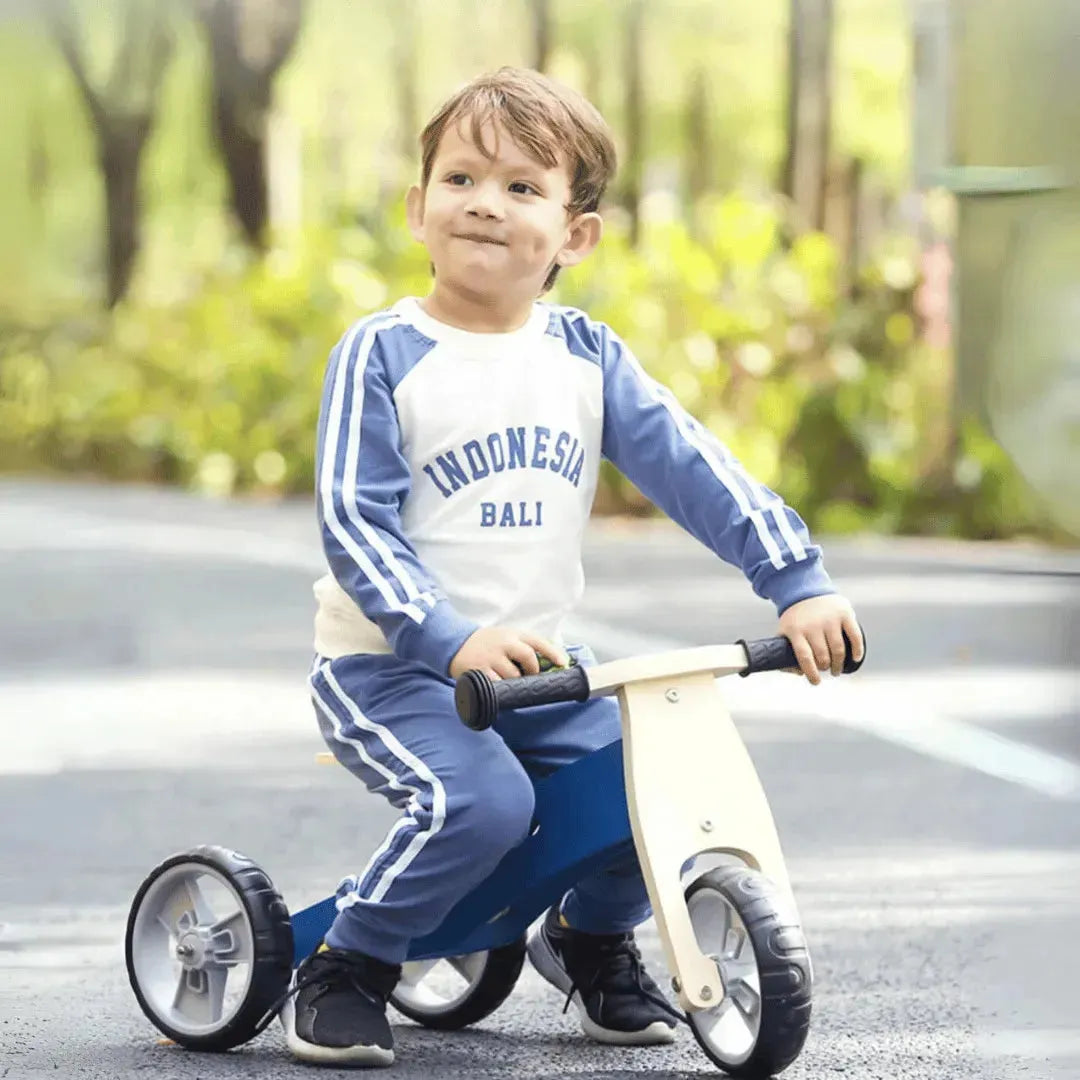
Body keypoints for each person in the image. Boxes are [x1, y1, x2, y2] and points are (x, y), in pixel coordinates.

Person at [284, 66, 864, 1067]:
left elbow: (699, 472)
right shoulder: (382, 352)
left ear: (575, 234)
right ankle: (349, 962)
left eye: (521, 187)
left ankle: (592, 940)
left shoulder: (584, 358)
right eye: (461, 178)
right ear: (419, 208)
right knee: (488, 808)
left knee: (659, 785)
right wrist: (449, 635)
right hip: (390, 668)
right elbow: (353, 517)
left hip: (540, 670)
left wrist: (796, 580)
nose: (484, 203)